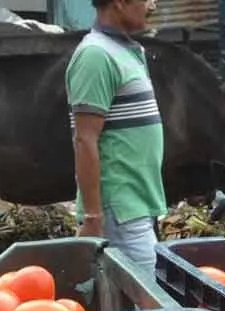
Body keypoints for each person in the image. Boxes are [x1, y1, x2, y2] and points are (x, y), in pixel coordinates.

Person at [65, 0, 167, 271]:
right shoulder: (95, 56)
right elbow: (85, 139)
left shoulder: (126, 51)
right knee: (150, 305)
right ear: (120, 3)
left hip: (136, 206)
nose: (152, 5)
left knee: (134, 304)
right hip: (119, 211)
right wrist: (93, 217)